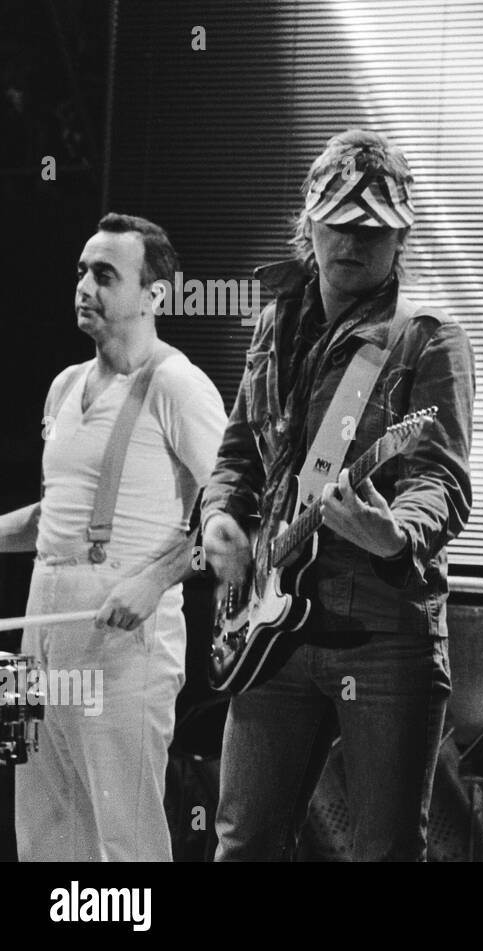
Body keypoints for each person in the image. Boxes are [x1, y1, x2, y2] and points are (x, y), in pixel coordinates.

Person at [201, 129, 475, 861]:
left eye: (371, 228)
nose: (352, 241)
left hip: (383, 632)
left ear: (400, 237)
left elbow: (440, 479)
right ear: (309, 225)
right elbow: (238, 454)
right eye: (338, 223)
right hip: (271, 630)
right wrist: (221, 515)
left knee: (384, 850)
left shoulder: (427, 338)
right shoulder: (274, 325)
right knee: (243, 841)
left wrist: (396, 532)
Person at [0, 213, 227, 861]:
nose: (84, 286)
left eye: (104, 274)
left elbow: (237, 515)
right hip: (36, 634)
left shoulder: (178, 385)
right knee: (37, 827)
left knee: (124, 840)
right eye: (80, 271)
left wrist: (154, 577)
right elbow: (54, 520)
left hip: (123, 643)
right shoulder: (63, 386)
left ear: (155, 295)